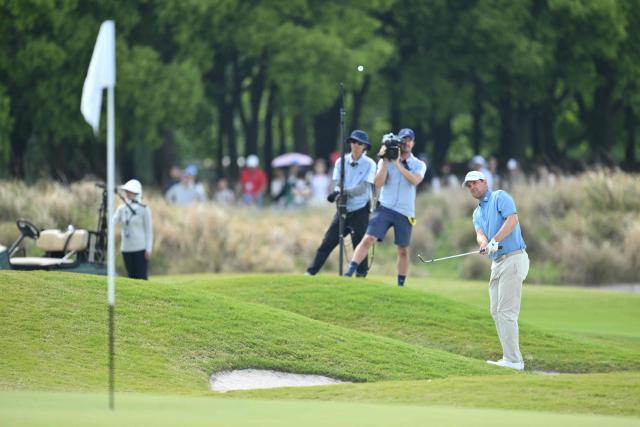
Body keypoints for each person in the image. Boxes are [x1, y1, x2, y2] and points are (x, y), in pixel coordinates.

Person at [463, 170, 529, 371]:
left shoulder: (500, 197)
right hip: (497, 262)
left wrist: (495, 241)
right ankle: (508, 357)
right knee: (495, 311)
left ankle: (514, 361)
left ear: (484, 182)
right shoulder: (476, 212)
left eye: (475, 183)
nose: (472, 188)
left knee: (506, 311)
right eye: (469, 186)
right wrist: (484, 243)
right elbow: (479, 234)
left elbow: (512, 220)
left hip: (514, 257)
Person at [344, 128, 427, 286]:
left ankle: (401, 284)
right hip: (385, 207)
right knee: (368, 238)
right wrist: (385, 161)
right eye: (404, 140)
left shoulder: (418, 164)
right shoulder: (386, 160)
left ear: (413, 143)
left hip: (405, 211)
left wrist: (398, 164)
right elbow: (378, 183)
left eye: (410, 140)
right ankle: (350, 271)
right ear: (400, 142)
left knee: (403, 249)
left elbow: (415, 180)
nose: (407, 143)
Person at [306, 129, 376, 277]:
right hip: (343, 208)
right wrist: (337, 191)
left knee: (359, 244)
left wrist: (344, 192)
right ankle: (311, 272)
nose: (356, 145)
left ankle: (361, 274)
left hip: (361, 208)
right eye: (353, 142)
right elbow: (337, 182)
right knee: (328, 241)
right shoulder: (340, 161)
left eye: (359, 143)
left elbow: (364, 188)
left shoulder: (370, 164)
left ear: (365, 147)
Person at [112, 179, 153, 280]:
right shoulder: (122, 208)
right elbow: (113, 222)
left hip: (140, 248)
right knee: (131, 277)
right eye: (127, 191)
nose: (127, 193)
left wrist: (148, 248)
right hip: (126, 248)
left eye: (130, 191)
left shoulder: (144, 209)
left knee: (141, 277)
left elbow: (149, 231)